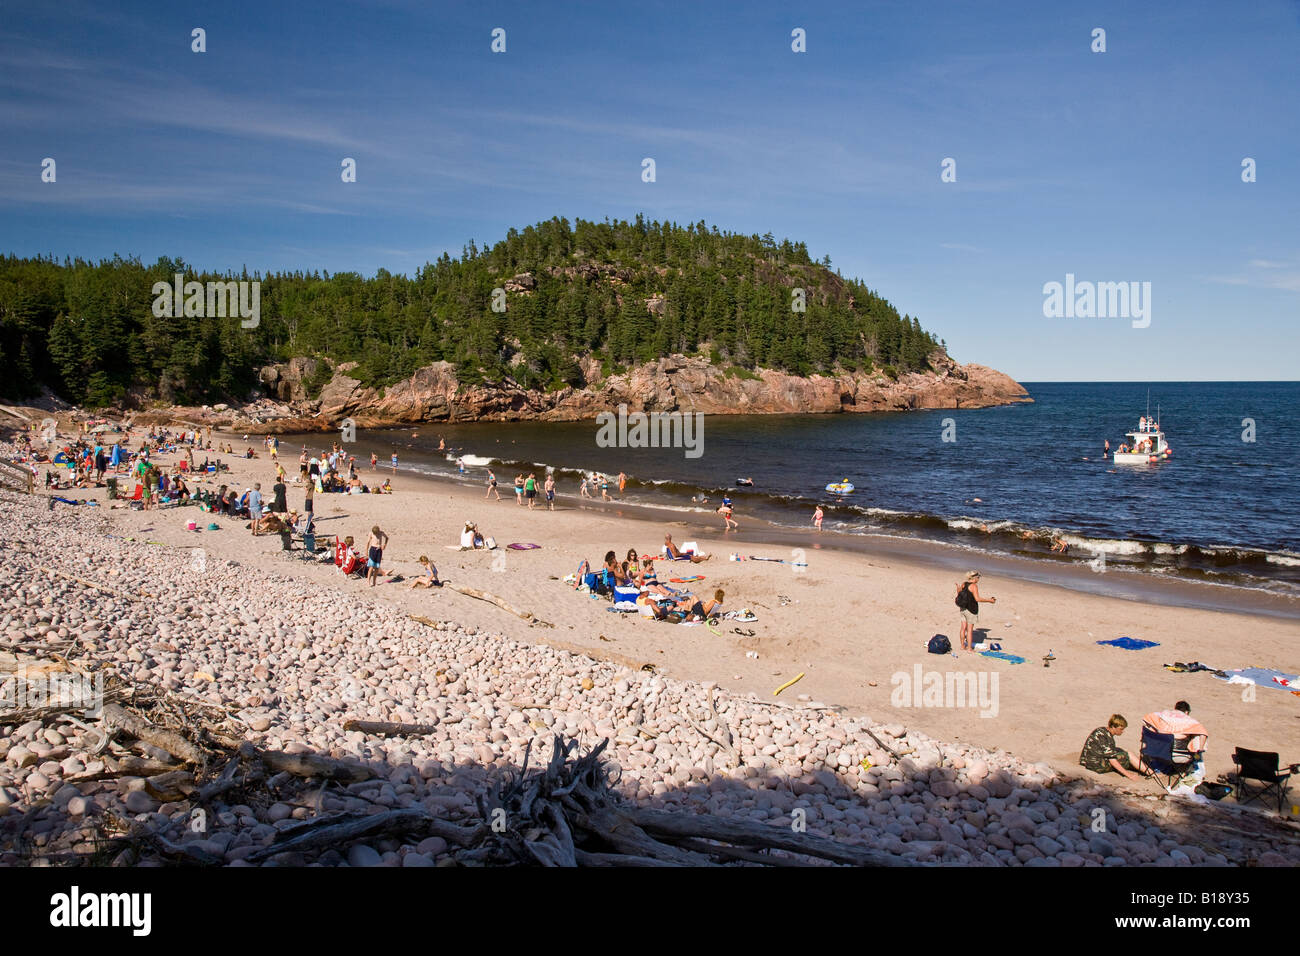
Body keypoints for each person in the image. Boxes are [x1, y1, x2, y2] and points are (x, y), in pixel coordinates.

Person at [1079, 715, 1149, 781]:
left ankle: (1140, 766)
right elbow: (1112, 760)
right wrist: (1129, 775)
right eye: (1121, 729)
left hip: (1086, 761)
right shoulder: (1108, 738)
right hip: (1096, 766)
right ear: (1113, 727)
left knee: (1118, 750)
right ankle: (1151, 773)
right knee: (1129, 755)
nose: (1122, 731)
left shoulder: (1100, 730)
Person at [954, 571, 995, 652]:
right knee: (969, 630)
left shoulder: (964, 584)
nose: (978, 579)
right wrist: (989, 600)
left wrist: (958, 589)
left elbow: (959, 594)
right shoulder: (974, 586)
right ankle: (969, 648)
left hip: (963, 608)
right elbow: (977, 599)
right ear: (975, 578)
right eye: (978, 577)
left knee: (963, 628)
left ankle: (962, 646)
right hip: (971, 610)